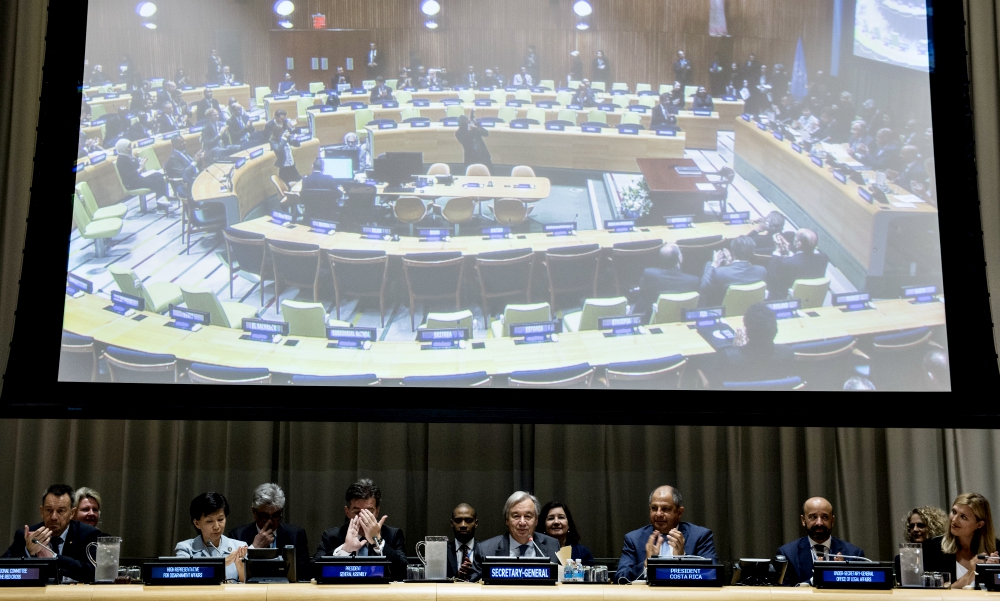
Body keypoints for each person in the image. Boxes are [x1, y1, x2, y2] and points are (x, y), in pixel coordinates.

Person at [2, 484, 102, 583]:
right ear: (42, 511)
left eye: (60, 511)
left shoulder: (88, 534)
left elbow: (95, 573)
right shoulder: (28, 536)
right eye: (49, 510)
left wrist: (54, 558)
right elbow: (3, 571)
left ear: (72, 513)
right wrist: (28, 552)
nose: (53, 517)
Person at [615, 485, 716, 583]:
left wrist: (682, 559)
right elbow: (620, 578)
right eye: (654, 508)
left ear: (679, 512)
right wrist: (646, 564)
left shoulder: (700, 536)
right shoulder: (634, 539)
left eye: (665, 509)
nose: (658, 514)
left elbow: (714, 575)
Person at [314, 479, 407, 581]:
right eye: (357, 512)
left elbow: (404, 572)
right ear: (347, 512)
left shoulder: (393, 535)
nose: (363, 518)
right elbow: (310, 572)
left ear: (377, 512)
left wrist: (378, 542)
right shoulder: (331, 536)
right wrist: (344, 550)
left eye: (368, 512)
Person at [227, 483, 309, 580]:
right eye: (265, 516)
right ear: (254, 512)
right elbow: (233, 575)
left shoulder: (296, 534)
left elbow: (304, 574)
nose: (270, 521)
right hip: (252, 590)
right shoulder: (238, 535)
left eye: (276, 515)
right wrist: (254, 548)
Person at [916, 493, 1000, 588]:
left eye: (963, 517)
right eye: (954, 512)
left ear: (979, 524)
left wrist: (995, 574)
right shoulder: (933, 548)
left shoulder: (997, 549)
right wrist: (970, 574)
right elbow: (935, 594)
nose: (954, 520)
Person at [777, 497, 865, 585]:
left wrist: (843, 574)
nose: (819, 523)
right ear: (803, 520)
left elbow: (863, 592)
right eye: (813, 517)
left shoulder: (854, 555)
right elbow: (784, 593)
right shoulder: (787, 554)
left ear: (832, 520)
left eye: (825, 517)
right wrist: (813, 581)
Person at [175, 492, 247, 583]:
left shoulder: (239, 547)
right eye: (209, 521)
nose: (216, 526)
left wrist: (241, 570)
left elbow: (251, 587)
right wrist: (222, 563)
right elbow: (182, 578)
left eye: (220, 519)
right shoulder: (186, 548)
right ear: (197, 523)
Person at [476, 492, 561, 563]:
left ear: (536, 520)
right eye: (516, 516)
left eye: (528, 516)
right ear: (507, 520)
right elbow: (473, 582)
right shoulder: (485, 550)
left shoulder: (552, 546)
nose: (522, 522)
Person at [699, 235, 766, 307]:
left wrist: (714, 264)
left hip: (726, 313)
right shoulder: (761, 271)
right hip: (751, 310)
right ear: (753, 252)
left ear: (732, 252)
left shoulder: (719, 272)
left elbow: (703, 287)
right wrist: (729, 265)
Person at [765, 228, 828, 298]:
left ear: (798, 244)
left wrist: (777, 252)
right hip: (812, 298)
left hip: (786, 298)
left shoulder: (787, 263)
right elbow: (803, 263)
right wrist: (790, 254)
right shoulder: (824, 258)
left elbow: (771, 278)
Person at [637, 244, 700, 310]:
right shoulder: (694, 282)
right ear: (680, 258)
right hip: (682, 318)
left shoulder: (649, 275)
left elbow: (643, 294)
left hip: (655, 318)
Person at [447, 503, 481, 581]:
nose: (463, 525)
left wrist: (473, 575)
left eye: (468, 520)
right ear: (452, 523)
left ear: (476, 523)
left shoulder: (486, 551)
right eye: (458, 520)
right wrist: (457, 579)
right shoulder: (442, 552)